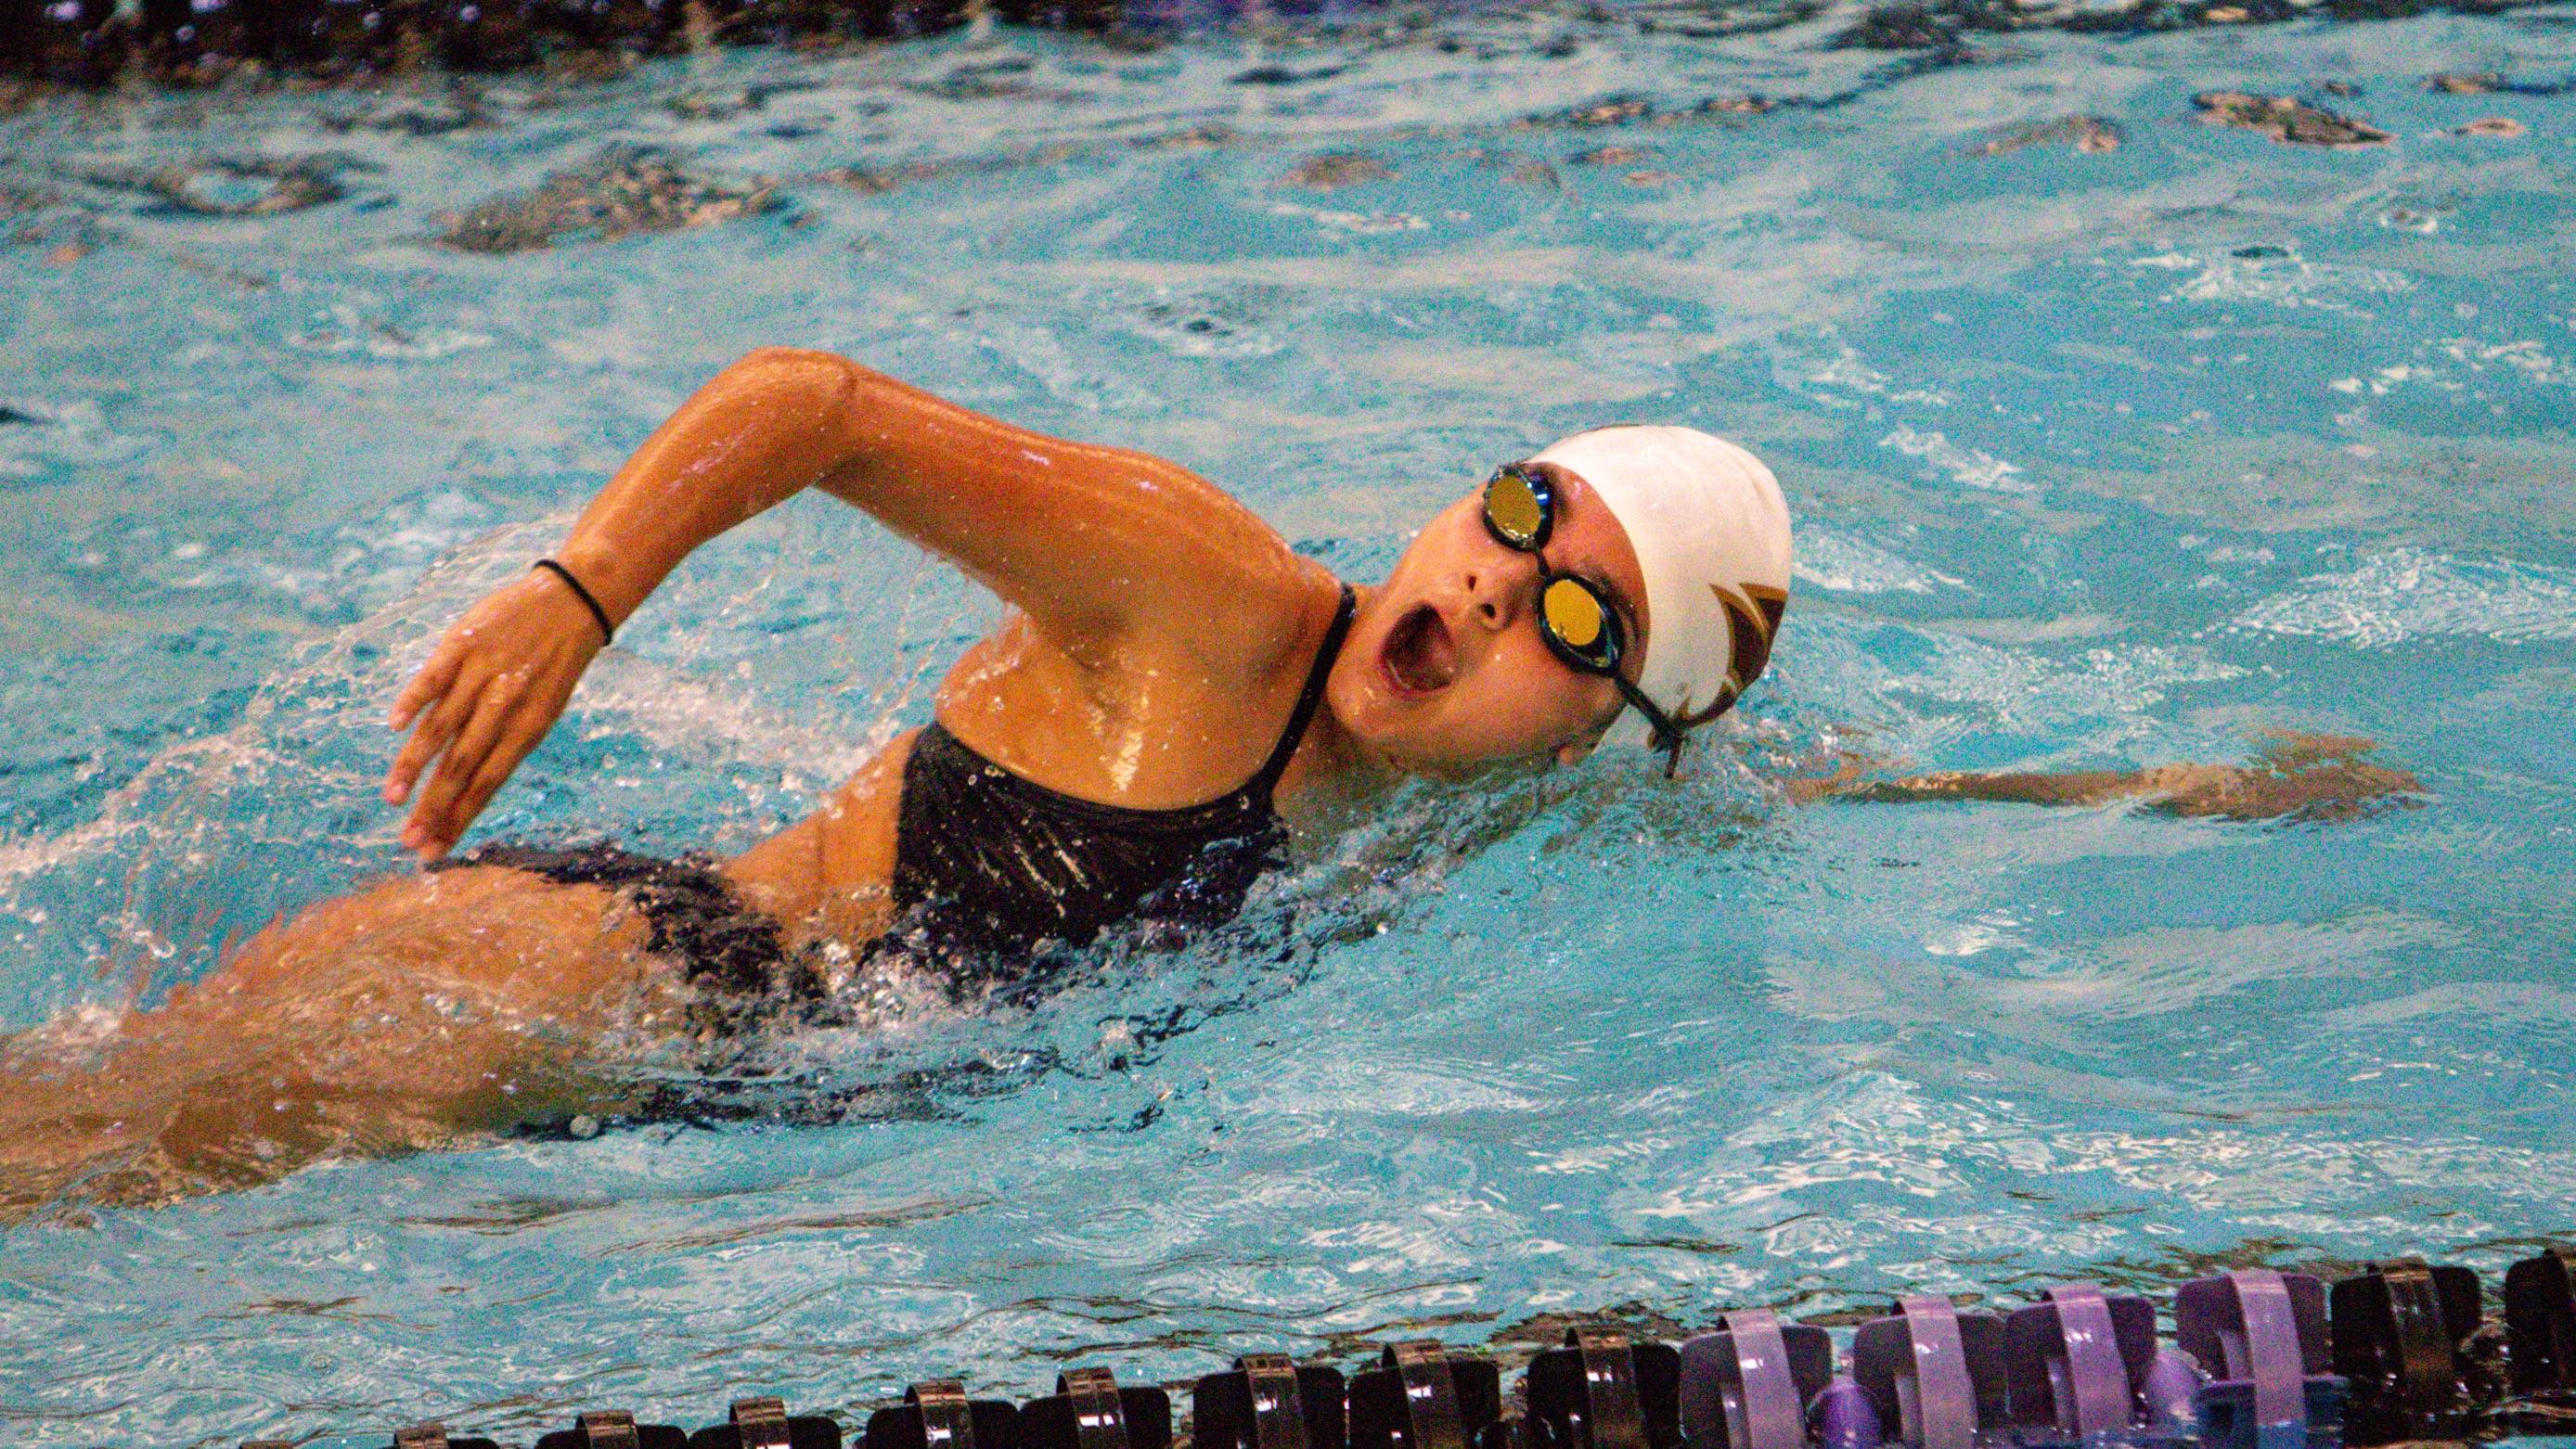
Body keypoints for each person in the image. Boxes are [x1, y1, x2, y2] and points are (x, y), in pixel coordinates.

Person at [0, 350, 2416, 1215]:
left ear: (1609, 725)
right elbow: (828, 406)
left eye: (1575, 618)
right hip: (599, 978)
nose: (1483, 591)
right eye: (1514, 515)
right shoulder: (1213, 598)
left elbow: (1824, 788)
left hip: (691, 1138)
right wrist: (578, 584)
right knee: (63, 1156)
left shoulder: (1530, 807)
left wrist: (2171, 785)